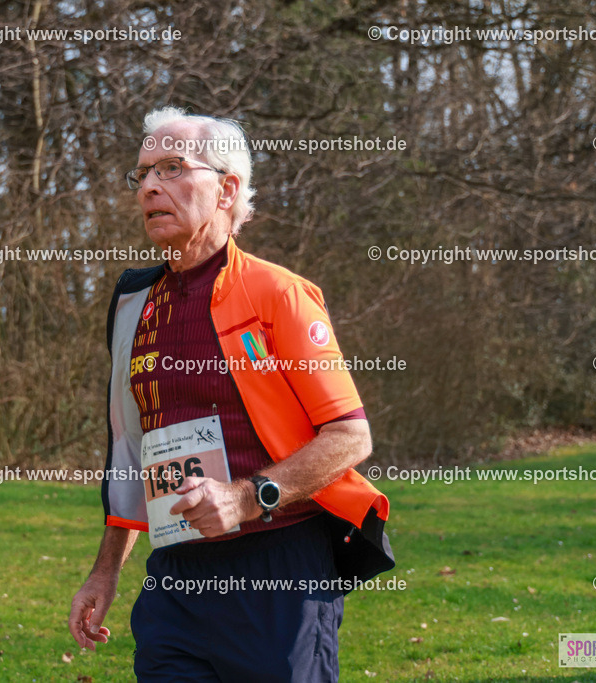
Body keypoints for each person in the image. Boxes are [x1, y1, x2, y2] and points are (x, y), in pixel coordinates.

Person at [68, 106, 393, 682]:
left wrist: (247, 498)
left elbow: (350, 436)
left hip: (277, 569)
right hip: (175, 576)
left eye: (171, 168)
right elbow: (132, 450)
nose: (149, 187)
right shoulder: (133, 303)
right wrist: (106, 569)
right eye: (142, 174)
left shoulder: (278, 294)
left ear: (227, 189)